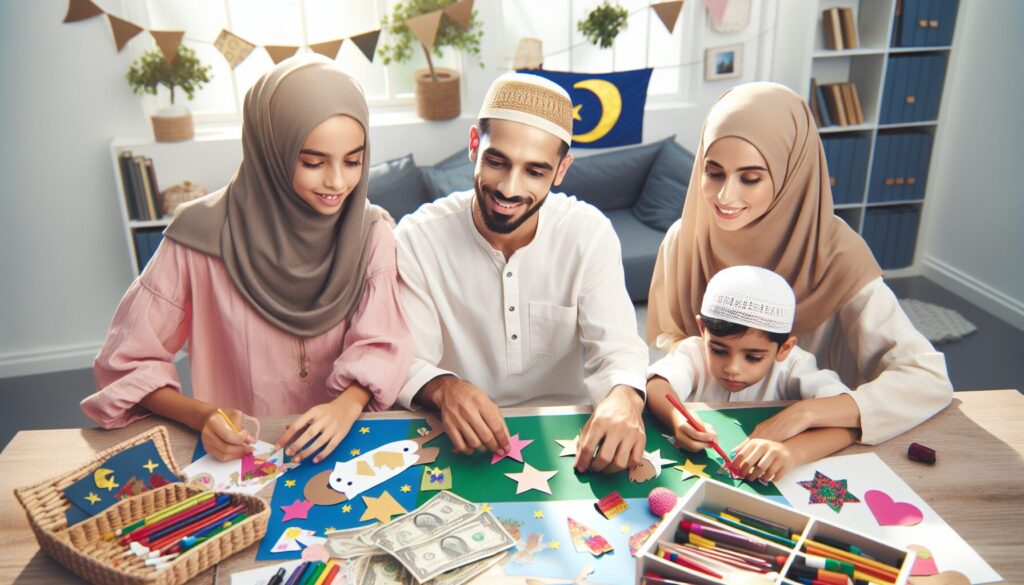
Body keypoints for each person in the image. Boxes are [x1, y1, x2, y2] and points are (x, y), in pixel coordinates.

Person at [81, 56, 413, 463]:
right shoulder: (199, 237)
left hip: (345, 448)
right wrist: (205, 416)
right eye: (313, 162)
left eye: (353, 161)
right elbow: (127, 361)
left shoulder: (372, 233)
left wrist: (346, 406)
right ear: (269, 151)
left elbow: (383, 344)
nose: (337, 181)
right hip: (242, 456)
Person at [647, 82, 952, 449]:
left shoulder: (836, 253)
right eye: (713, 173)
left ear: (791, 173)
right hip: (706, 437)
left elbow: (927, 379)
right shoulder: (685, 239)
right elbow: (675, 348)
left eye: (750, 178)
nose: (725, 196)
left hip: (811, 444)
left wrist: (807, 413)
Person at [395, 72, 649, 474]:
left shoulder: (589, 233)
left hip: (568, 438)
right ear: (474, 145)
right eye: (497, 162)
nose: (510, 189)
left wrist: (624, 397)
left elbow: (617, 347)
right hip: (452, 437)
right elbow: (406, 358)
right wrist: (442, 388)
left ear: (561, 170)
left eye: (535, 171)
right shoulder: (416, 238)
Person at [647, 265, 855, 482]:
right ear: (702, 329)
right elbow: (657, 384)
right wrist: (677, 418)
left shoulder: (795, 366)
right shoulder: (694, 352)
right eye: (718, 351)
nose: (732, 368)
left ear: (784, 348)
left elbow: (848, 424)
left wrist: (793, 452)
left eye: (753, 357)